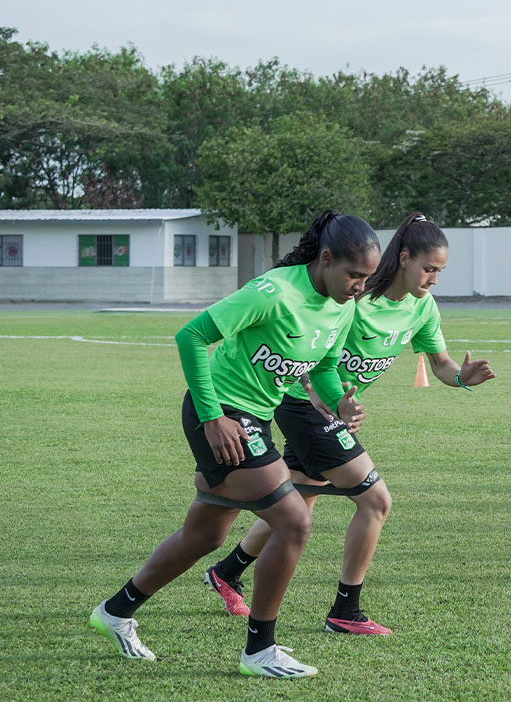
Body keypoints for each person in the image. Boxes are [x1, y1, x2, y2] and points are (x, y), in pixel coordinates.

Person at [90, 211, 380, 678]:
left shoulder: (342, 306)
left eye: (367, 278)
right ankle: (259, 650)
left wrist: (338, 402)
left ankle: (115, 611)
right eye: (354, 275)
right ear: (326, 259)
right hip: (220, 414)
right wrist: (212, 417)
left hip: (254, 419)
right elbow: (192, 334)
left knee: (204, 536)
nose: (360, 287)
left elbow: (322, 369)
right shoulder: (274, 292)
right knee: (293, 522)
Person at [204, 213, 495, 635]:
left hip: (332, 410)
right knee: (376, 500)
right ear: (405, 258)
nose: (434, 279)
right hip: (303, 402)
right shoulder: (353, 298)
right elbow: (309, 348)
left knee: (298, 498)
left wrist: (461, 379)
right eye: (429, 268)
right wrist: (326, 395)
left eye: (440, 271)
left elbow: (442, 363)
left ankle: (228, 571)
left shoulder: (422, 308)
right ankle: (346, 611)